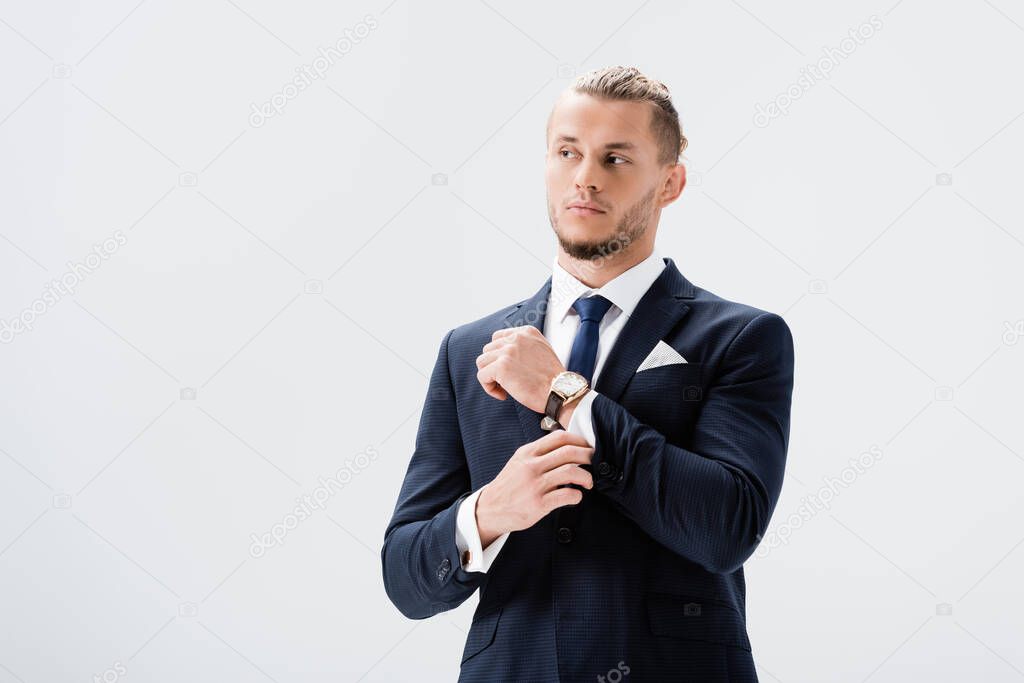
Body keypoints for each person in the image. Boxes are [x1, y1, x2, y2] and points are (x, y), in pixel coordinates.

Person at [381, 65, 795, 682]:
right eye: (567, 152)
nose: (585, 179)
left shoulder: (742, 338)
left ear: (670, 182)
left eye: (616, 159)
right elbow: (407, 580)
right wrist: (490, 512)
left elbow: (724, 528)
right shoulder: (469, 349)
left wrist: (565, 396)